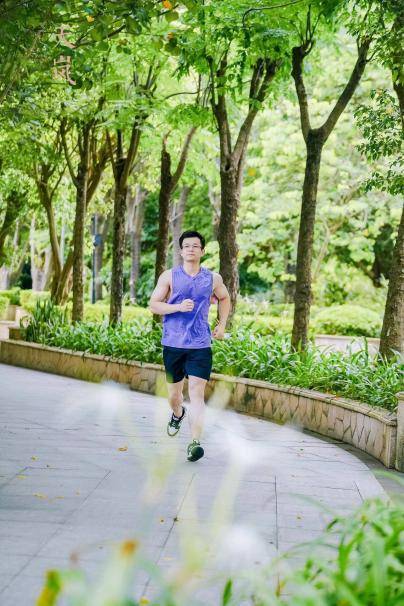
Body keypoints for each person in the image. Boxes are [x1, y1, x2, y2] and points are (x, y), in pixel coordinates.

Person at [149, 230, 231, 462]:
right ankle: (177, 414)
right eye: (187, 246)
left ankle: (195, 443)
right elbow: (154, 305)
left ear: (202, 251)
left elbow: (225, 298)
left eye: (195, 246)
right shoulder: (169, 276)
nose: (191, 249)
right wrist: (177, 307)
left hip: (200, 344)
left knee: (197, 393)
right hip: (173, 343)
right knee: (174, 396)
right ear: (181, 251)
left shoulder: (213, 278)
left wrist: (222, 324)